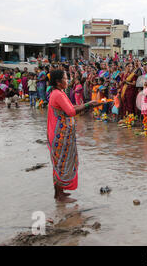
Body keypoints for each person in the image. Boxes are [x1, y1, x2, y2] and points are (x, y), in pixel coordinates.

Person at [47, 70, 101, 203]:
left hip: (63, 134)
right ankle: (59, 196)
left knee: (60, 163)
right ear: (58, 82)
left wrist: (89, 105)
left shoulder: (59, 92)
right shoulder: (57, 94)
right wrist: (89, 104)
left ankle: (59, 193)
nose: (68, 80)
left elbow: (70, 107)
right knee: (61, 164)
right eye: (66, 78)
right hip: (60, 135)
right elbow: (71, 111)